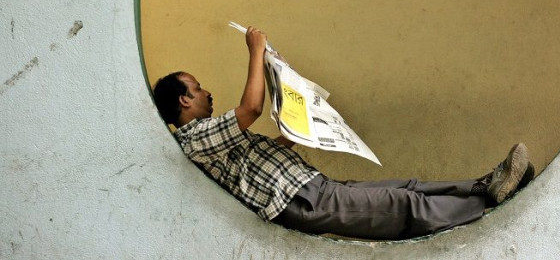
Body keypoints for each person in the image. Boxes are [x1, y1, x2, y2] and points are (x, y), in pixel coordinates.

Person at [152, 26, 534, 240]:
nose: (206, 93)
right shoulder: (195, 138)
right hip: (301, 200)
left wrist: (299, 125)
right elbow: (250, 108)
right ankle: (490, 206)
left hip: (312, 187)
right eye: (198, 89)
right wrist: (256, 51)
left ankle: (486, 186)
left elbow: (265, 152)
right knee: (402, 207)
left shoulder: (215, 139)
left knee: (407, 187)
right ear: (183, 102)